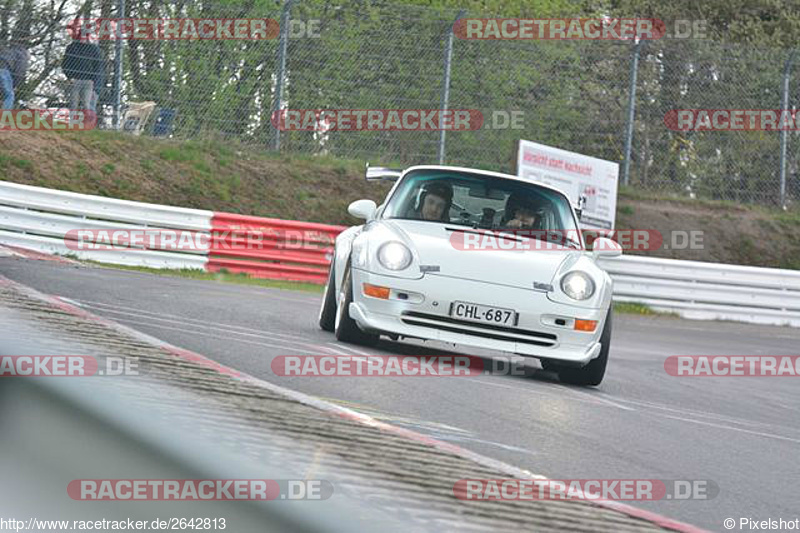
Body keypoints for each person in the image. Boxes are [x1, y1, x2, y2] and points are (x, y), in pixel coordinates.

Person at [63, 20, 105, 113]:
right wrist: (70, 77)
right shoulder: (72, 47)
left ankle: (87, 125)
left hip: (89, 82)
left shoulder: (94, 49)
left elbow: (98, 69)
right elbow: (65, 64)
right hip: (75, 80)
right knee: (74, 104)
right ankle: (73, 124)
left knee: (87, 105)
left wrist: (95, 86)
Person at [0, 39, 30, 110]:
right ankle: (4, 115)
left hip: (3, 66)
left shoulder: (9, 50)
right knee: (10, 95)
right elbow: (20, 71)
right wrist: (15, 85)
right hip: (3, 70)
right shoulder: (22, 55)